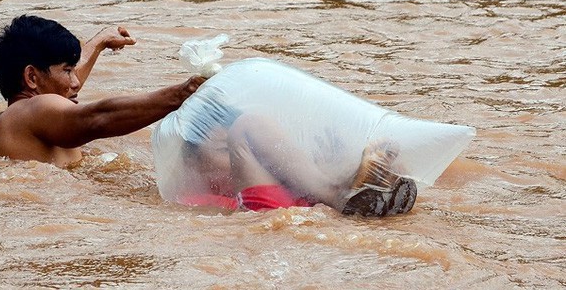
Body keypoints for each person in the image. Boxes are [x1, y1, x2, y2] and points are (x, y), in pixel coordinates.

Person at [0, 14, 205, 167]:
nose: (75, 83)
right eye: (67, 70)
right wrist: (185, 92)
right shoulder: (35, 110)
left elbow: (62, 91)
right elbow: (97, 118)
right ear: (32, 77)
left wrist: (101, 41)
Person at [175, 103, 417, 217]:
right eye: (224, 150)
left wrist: (325, 165)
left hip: (306, 213)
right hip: (262, 214)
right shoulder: (195, 200)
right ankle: (339, 194)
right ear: (195, 166)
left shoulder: (278, 175)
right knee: (248, 125)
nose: (236, 160)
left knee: (390, 168)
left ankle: (353, 189)